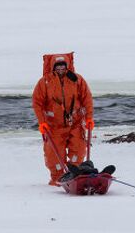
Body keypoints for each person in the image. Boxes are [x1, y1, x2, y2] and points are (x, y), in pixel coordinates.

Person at [32, 53, 94, 186]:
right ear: (53, 67)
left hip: (76, 123)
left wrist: (89, 118)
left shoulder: (77, 79)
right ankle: (58, 178)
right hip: (53, 126)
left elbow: (87, 99)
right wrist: (42, 122)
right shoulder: (44, 82)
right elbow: (37, 103)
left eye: (62, 67)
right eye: (57, 67)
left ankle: (75, 174)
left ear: (67, 67)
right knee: (53, 155)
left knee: (78, 149)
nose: (60, 70)